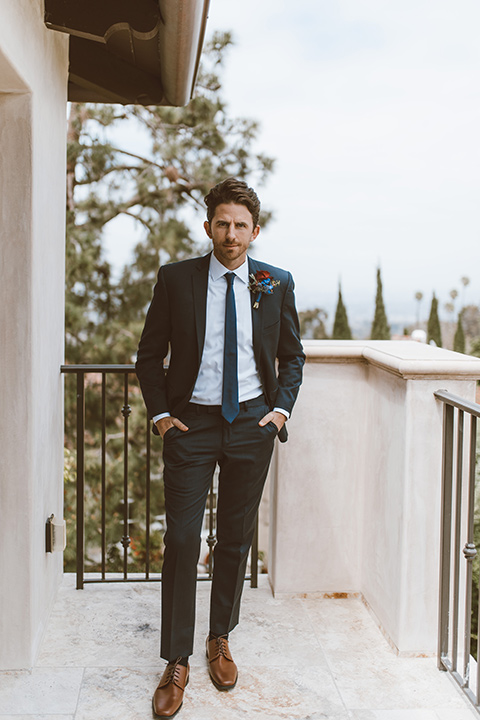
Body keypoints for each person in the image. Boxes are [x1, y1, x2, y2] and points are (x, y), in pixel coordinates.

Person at [136, 177, 305, 718]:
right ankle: (176, 659)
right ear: (207, 226)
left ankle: (219, 638)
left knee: (234, 538)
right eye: (221, 223)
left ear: (255, 230)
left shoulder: (275, 283)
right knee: (183, 539)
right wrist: (161, 415)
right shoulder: (176, 279)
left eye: (240, 225)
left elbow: (291, 356)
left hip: (252, 424)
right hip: (191, 425)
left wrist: (279, 411)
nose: (230, 234)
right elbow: (148, 354)